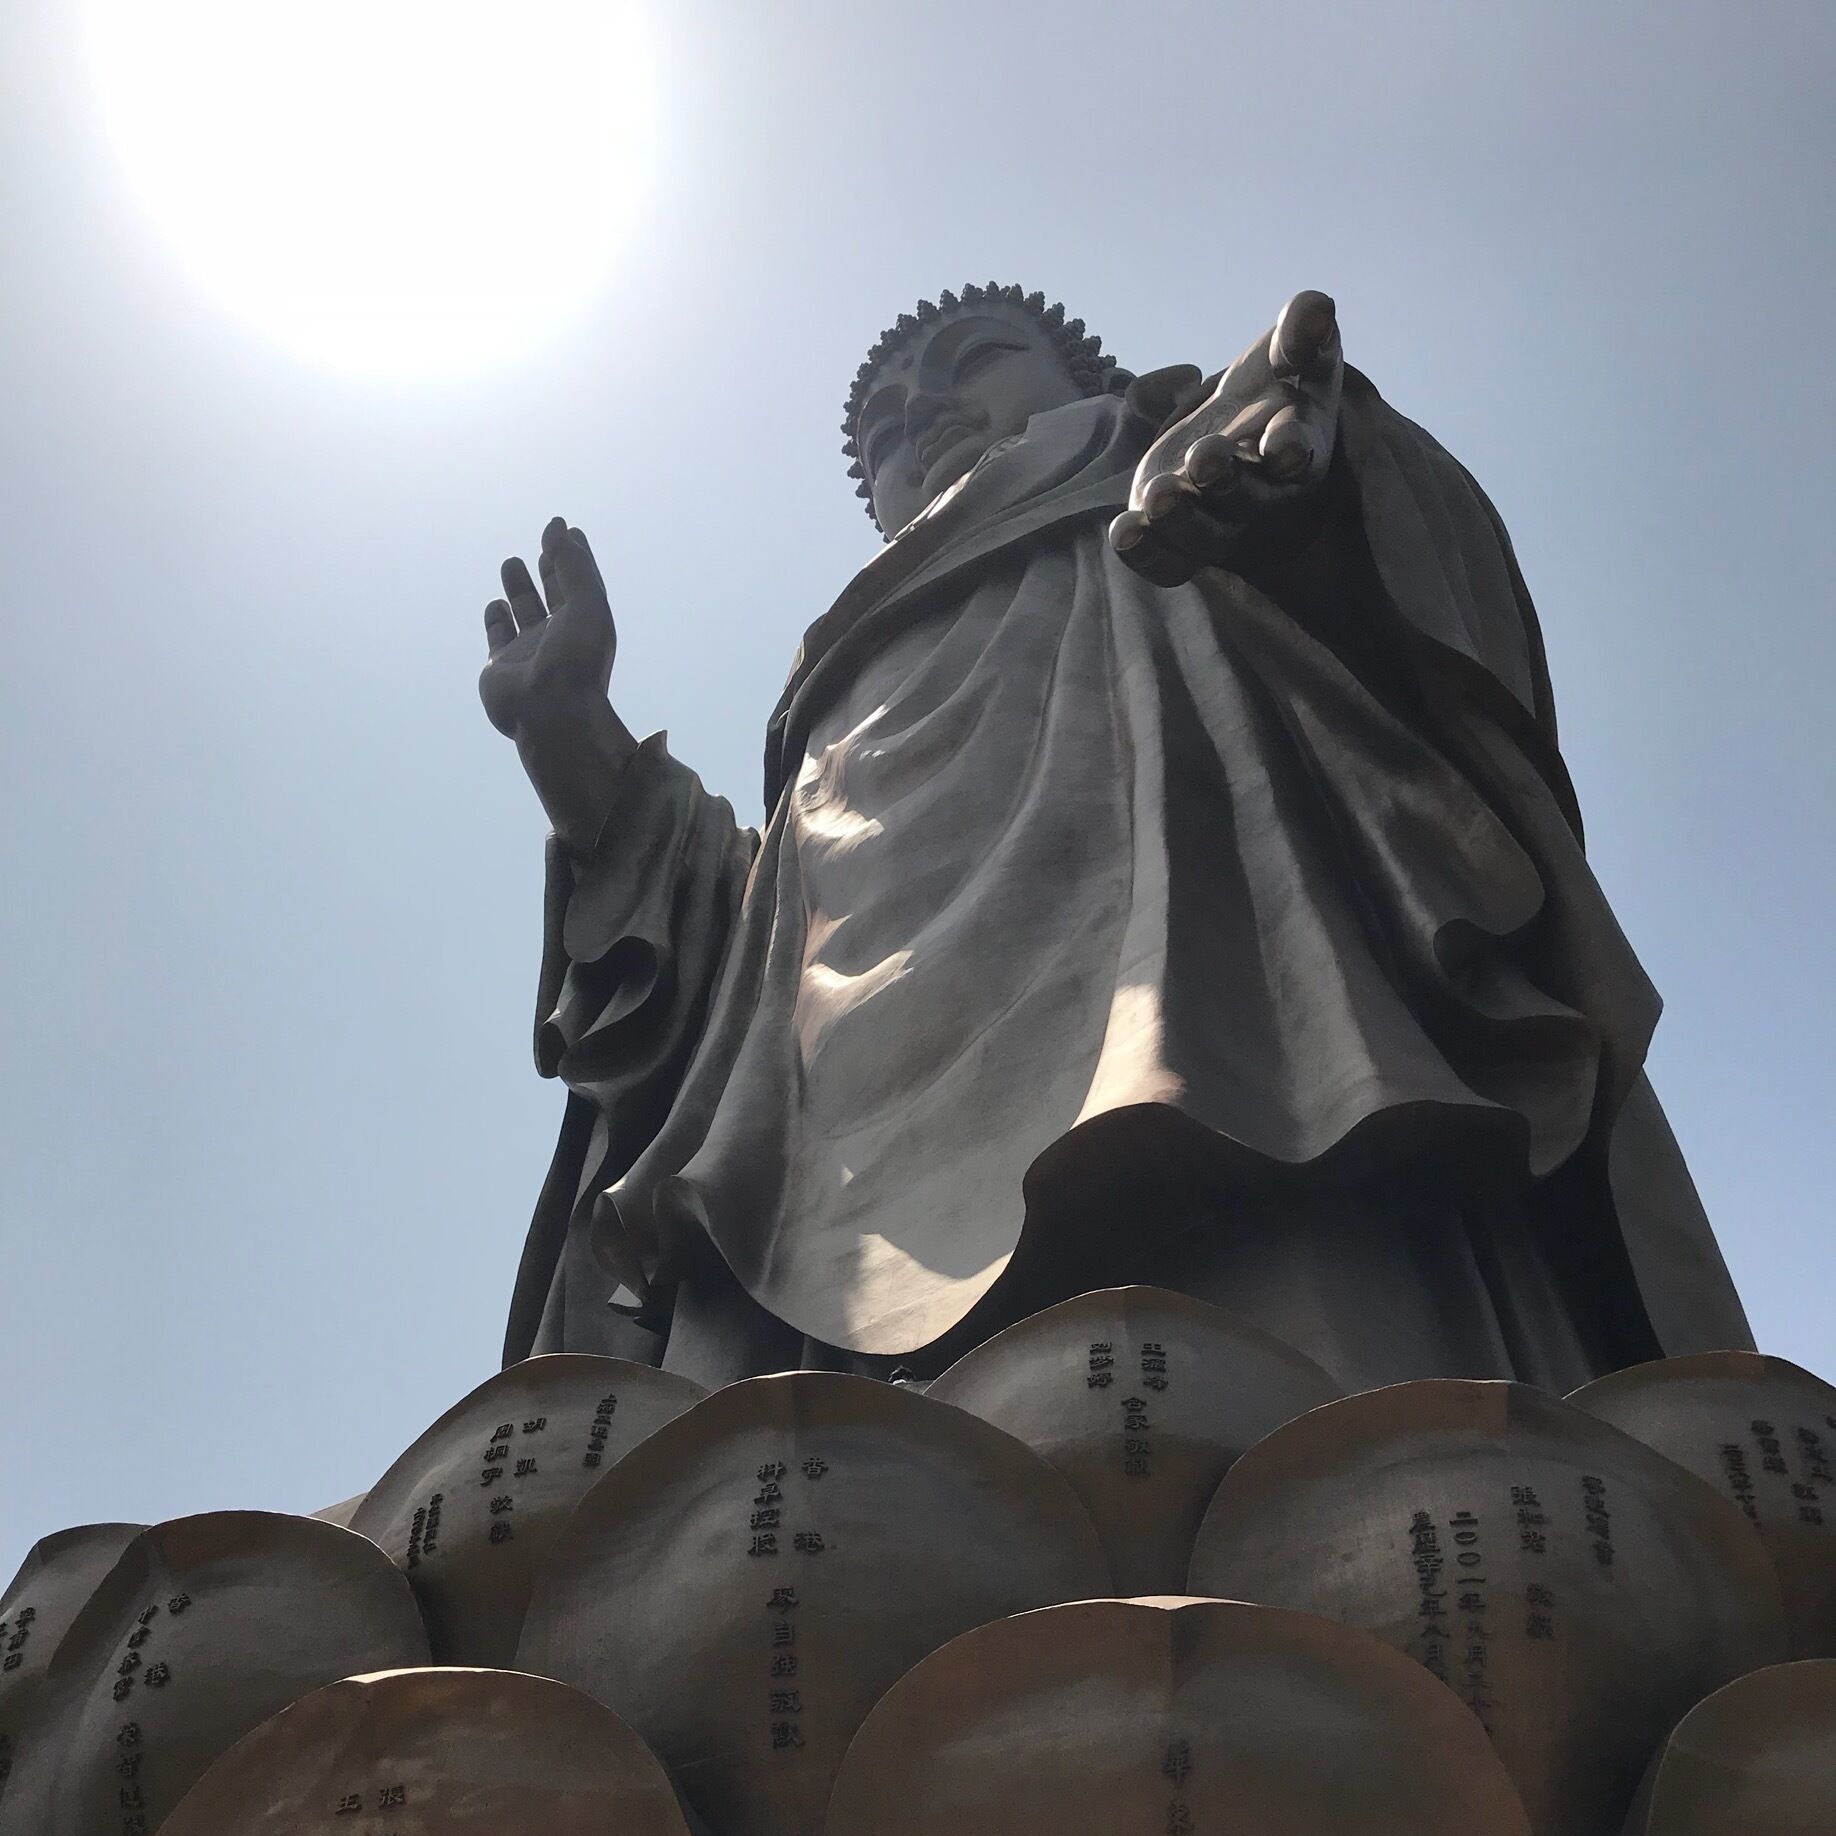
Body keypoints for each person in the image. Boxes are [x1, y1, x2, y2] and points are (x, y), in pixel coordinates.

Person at [481, 285, 1749, 1393]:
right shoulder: (832, 666)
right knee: (826, 1430)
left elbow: (1394, 582)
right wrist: (578, 749)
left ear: (1077, 376)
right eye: (882, 425)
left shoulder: (1163, 458)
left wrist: (1301, 495)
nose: (921, 409)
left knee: (1285, 1331)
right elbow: (750, 928)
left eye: (973, 357)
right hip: (854, 1081)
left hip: (1196, 956)